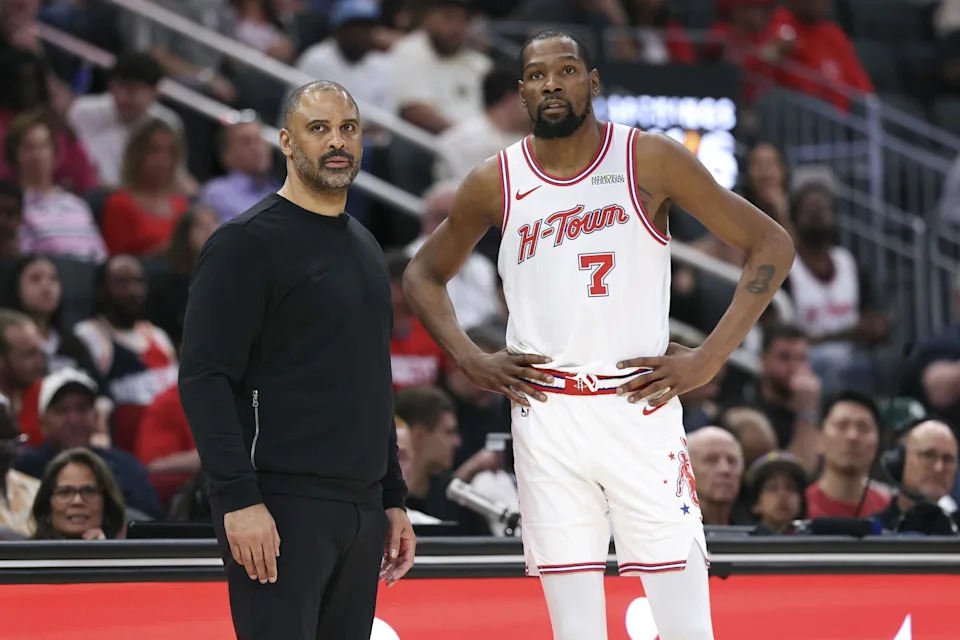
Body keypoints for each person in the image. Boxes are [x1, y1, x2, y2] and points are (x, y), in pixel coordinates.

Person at [403, 29, 795, 640]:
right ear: (522, 90)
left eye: (565, 70)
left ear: (592, 81)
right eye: (536, 75)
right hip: (547, 415)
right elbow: (423, 275)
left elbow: (771, 243)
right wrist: (471, 360)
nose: (551, 83)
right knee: (575, 631)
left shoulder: (648, 158)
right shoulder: (494, 180)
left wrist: (710, 359)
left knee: (688, 626)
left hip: (638, 405)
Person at [179, 80, 415, 640]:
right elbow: (205, 377)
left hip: (360, 506)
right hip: (279, 502)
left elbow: (371, 379)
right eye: (319, 129)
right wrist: (239, 499)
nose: (337, 142)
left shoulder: (364, 244)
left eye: (348, 129)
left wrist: (393, 498)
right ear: (286, 142)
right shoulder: (245, 243)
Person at [805, 390, 890, 519]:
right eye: (841, 426)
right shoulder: (799, 508)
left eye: (863, 428)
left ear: (878, 442)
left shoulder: (890, 509)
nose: (853, 437)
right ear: (819, 439)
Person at [30, 446, 127, 540]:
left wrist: (104, 552)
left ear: (107, 502)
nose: (77, 501)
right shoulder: (22, 555)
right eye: (65, 492)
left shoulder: (128, 555)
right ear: (47, 504)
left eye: (89, 491)